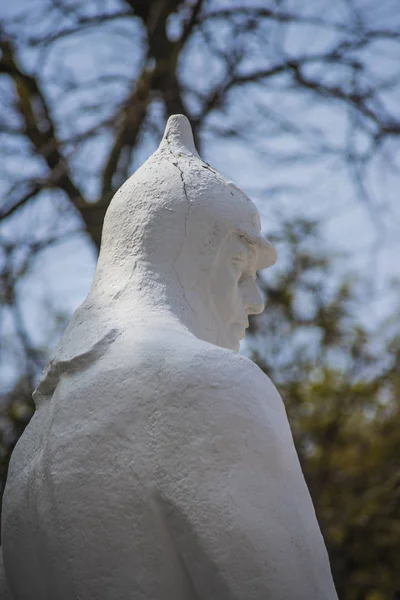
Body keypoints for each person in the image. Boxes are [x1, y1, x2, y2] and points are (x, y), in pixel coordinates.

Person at [1, 115, 338, 599]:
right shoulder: (213, 385)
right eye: (240, 268)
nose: (256, 300)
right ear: (190, 259)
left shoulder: (31, 447)